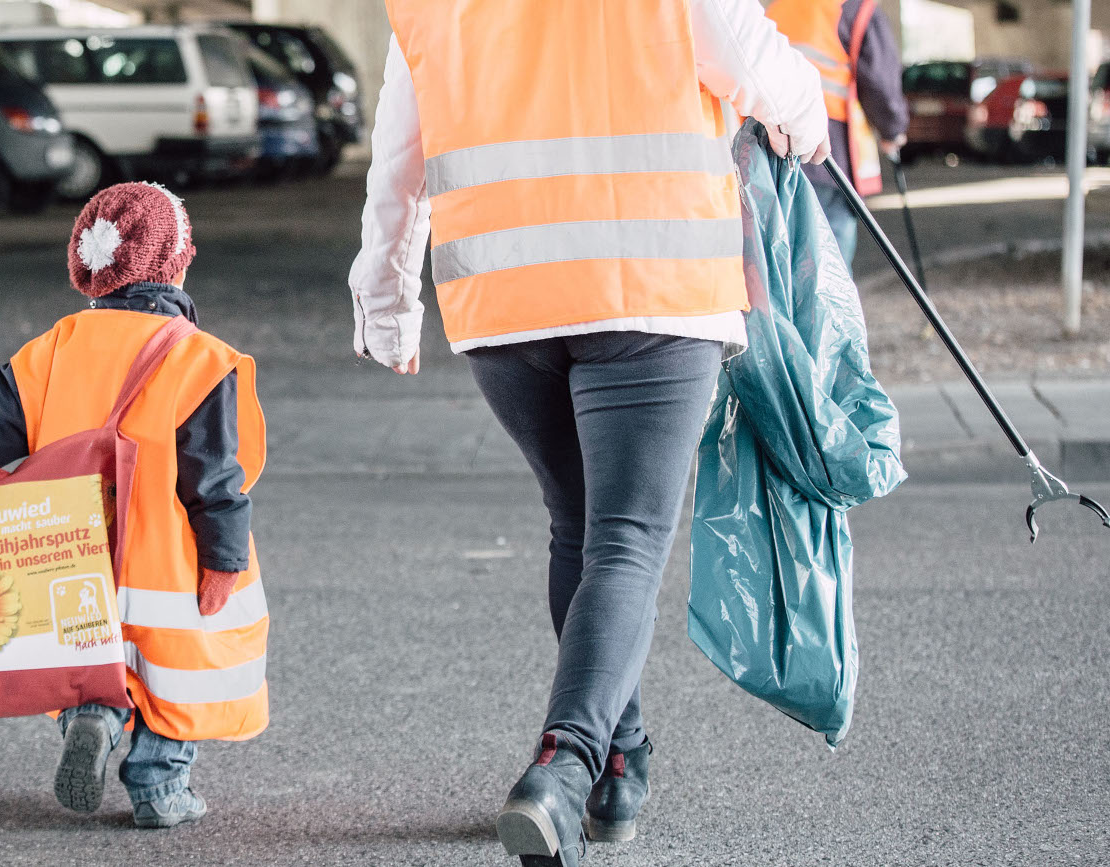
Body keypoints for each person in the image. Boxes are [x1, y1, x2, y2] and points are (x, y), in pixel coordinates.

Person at [350, 2, 830, 864]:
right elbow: (742, 55)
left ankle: (618, 762)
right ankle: (561, 767)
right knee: (627, 540)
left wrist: (386, 299)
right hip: (650, 278)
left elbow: (400, 150)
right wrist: (805, 114)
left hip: (503, 300)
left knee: (580, 528)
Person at [0, 182, 268, 829]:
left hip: (67, 558)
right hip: (167, 565)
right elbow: (214, 480)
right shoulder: (200, 358)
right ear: (177, 260)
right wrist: (225, 558)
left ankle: (94, 715)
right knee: (177, 668)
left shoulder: (49, 352)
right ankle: (159, 784)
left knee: (88, 650)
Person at [767, 0, 910, 268]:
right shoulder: (857, 7)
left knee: (782, 257)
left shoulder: (780, 5)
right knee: (829, 265)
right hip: (828, 155)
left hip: (771, 149)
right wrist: (894, 129)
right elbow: (880, 82)